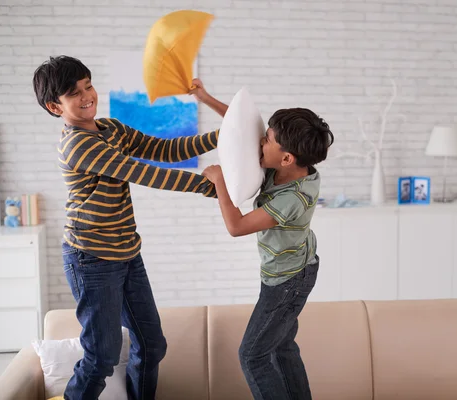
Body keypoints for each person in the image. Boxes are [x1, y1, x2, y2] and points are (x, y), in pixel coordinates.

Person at [33, 55, 219, 400]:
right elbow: (143, 172)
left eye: (88, 85)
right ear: (54, 106)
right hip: (90, 257)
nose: (87, 95)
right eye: (74, 93)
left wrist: (223, 136)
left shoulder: (112, 129)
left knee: (151, 346)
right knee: (101, 356)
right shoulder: (77, 143)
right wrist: (212, 187)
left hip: (126, 251)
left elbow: (163, 150)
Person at [192, 79, 334, 400]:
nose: (260, 142)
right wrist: (205, 98)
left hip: (287, 281)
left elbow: (238, 226)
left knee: (252, 355)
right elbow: (238, 130)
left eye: (267, 140)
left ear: (286, 158)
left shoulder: (292, 198)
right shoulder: (289, 163)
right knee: (282, 345)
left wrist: (220, 183)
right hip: (296, 268)